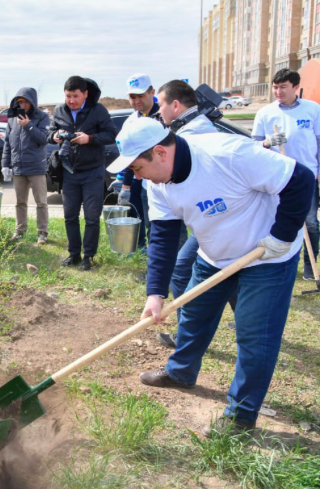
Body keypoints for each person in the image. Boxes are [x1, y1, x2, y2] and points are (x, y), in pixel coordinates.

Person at [109, 117, 313, 436]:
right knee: (193, 315)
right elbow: (162, 236)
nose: (135, 176)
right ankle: (180, 373)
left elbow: (301, 179)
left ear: (160, 153)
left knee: (255, 336)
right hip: (214, 256)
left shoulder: (227, 154)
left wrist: (282, 236)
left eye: (136, 168)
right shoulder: (156, 183)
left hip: (267, 257)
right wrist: (155, 293)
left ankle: (241, 417)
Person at [154, 79, 221, 349]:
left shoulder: (195, 134)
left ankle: (188, 334)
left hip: (217, 217)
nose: (159, 112)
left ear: (176, 105)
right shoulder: (188, 128)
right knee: (229, 277)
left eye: (161, 105)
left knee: (182, 269)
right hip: (209, 217)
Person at [252, 68, 320, 281]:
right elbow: (252, 146)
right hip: (276, 177)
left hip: (306, 176)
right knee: (275, 221)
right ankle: (276, 262)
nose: (278, 92)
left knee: (309, 223)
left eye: (283, 87)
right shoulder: (265, 113)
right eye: (275, 87)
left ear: (296, 87)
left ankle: (311, 266)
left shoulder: (312, 109)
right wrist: (268, 142)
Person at [49, 77, 117, 268]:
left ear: (85, 94)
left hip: (93, 172)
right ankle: (74, 254)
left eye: (75, 96)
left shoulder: (98, 110)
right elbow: (50, 132)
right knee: (70, 215)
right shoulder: (59, 110)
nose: (71, 100)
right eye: (68, 96)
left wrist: (90, 138)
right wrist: (54, 136)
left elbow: (111, 134)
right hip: (69, 171)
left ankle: (88, 256)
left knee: (91, 216)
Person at [2, 87, 49, 244]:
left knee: (41, 201)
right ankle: (20, 230)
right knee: (20, 202)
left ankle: (42, 232)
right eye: (20, 102)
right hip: (18, 167)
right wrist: (5, 164)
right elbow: (7, 144)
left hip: (36, 167)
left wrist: (29, 125)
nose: (22, 105)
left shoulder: (42, 117)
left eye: (25, 102)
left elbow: (43, 139)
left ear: (32, 102)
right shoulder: (12, 119)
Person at [118, 74, 161, 247]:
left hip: (159, 181)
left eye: (140, 95)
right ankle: (144, 252)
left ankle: (157, 259)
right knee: (139, 218)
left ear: (152, 92)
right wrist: (126, 185)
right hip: (139, 180)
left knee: (156, 223)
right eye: (132, 97)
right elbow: (128, 155)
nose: (136, 101)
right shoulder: (131, 121)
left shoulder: (162, 117)